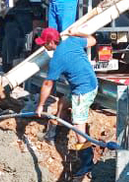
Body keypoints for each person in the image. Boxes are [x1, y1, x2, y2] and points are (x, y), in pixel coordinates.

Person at [34, 27, 99, 174]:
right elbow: (93, 40)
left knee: (78, 124)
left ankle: (87, 163)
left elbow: (47, 84)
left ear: (51, 42)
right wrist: (78, 32)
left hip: (83, 91)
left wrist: (40, 106)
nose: (43, 46)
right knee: (63, 102)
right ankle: (51, 135)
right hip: (92, 83)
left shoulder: (57, 59)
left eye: (44, 43)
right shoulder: (73, 41)